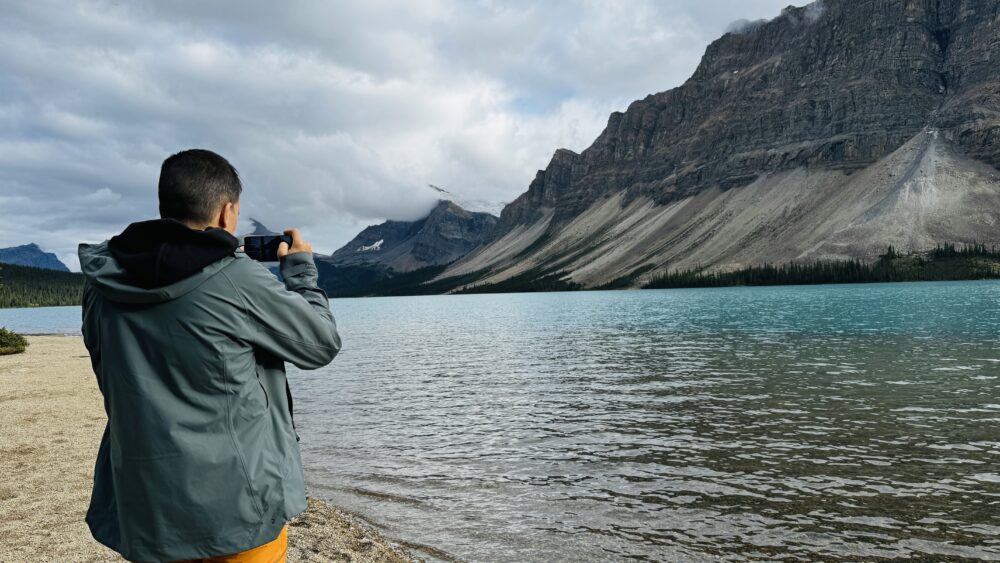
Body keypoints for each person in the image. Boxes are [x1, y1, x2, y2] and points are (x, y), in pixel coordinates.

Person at [78, 149, 341, 563]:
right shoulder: (236, 279)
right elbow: (321, 342)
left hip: (147, 507)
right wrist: (302, 272)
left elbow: (104, 368)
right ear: (226, 212)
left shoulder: (100, 284)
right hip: (236, 509)